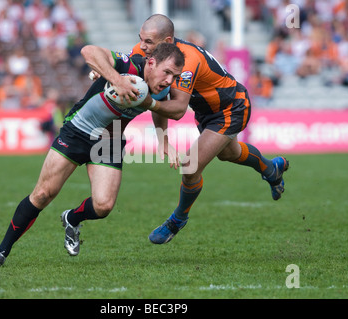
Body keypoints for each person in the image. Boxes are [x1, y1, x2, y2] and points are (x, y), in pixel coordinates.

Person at [86, 14, 289, 245]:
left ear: (168, 40)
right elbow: (152, 89)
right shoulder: (145, 52)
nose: (142, 47)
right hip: (206, 111)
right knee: (228, 153)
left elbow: (177, 108)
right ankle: (271, 169)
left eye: (149, 42)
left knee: (190, 165)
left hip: (231, 106)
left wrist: (149, 108)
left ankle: (177, 220)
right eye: (141, 39)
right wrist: (104, 73)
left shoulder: (187, 60)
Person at [0, 42, 185, 266]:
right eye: (167, 73)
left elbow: (159, 109)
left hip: (110, 139)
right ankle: (1, 251)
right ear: (152, 63)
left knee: (103, 206)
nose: (168, 81)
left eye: (174, 76)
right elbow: (89, 51)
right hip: (78, 130)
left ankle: (72, 218)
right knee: (42, 195)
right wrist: (117, 80)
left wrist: (163, 141)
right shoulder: (130, 65)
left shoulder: (162, 88)